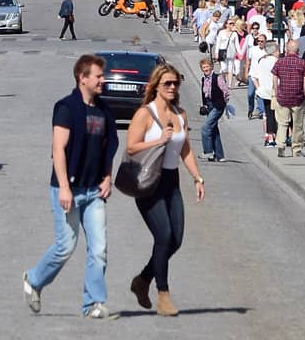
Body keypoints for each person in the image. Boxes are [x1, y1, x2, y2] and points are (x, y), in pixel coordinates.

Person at [22, 53, 118, 319]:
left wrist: (108, 178)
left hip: (94, 190)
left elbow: (109, 148)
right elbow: (58, 149)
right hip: (69, 189)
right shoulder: (66, 107)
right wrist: (64, 187)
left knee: (99, 248)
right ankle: (33, 280)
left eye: (102, 76)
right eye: (98, 76)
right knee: (66, 246)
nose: (103, 80)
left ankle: (93, 304)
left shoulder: (104, 110)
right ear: (82, 78)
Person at [124, 63, 205, 316]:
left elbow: (185, 149)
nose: (172, 87)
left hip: (172, 181)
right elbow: (131, 147)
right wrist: (159, 140)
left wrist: (197, 177)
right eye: (167, 83)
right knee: (164, 236)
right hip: (148, 182)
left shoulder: (181, 114)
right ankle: (163, 294)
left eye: (175, 83)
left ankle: (143, 280)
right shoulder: (145, 114)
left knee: (176, 239)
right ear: (157, 85)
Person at [272, 39, 305, 158]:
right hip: (297, 97)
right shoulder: (302, 63)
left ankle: (280, 145)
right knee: (297, 124)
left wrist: (276, 91)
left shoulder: (280, 62)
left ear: (286, 50)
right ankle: (296, 149)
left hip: (283, 96)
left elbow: (274, 78)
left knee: (282, 123)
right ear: (298, 51)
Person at [200, 57, 229, 164]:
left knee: (205, 128)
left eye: (207, 67)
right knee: (213, 130)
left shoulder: (217, 78)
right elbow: (204, 93)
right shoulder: (204, 79)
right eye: (203, 67)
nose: (205, 69)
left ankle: (208, 151)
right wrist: (204, 105)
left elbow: (225, 91)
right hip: (209, 105)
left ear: (211, 67)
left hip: (217, 106)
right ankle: (219, 155)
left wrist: (224, 103)